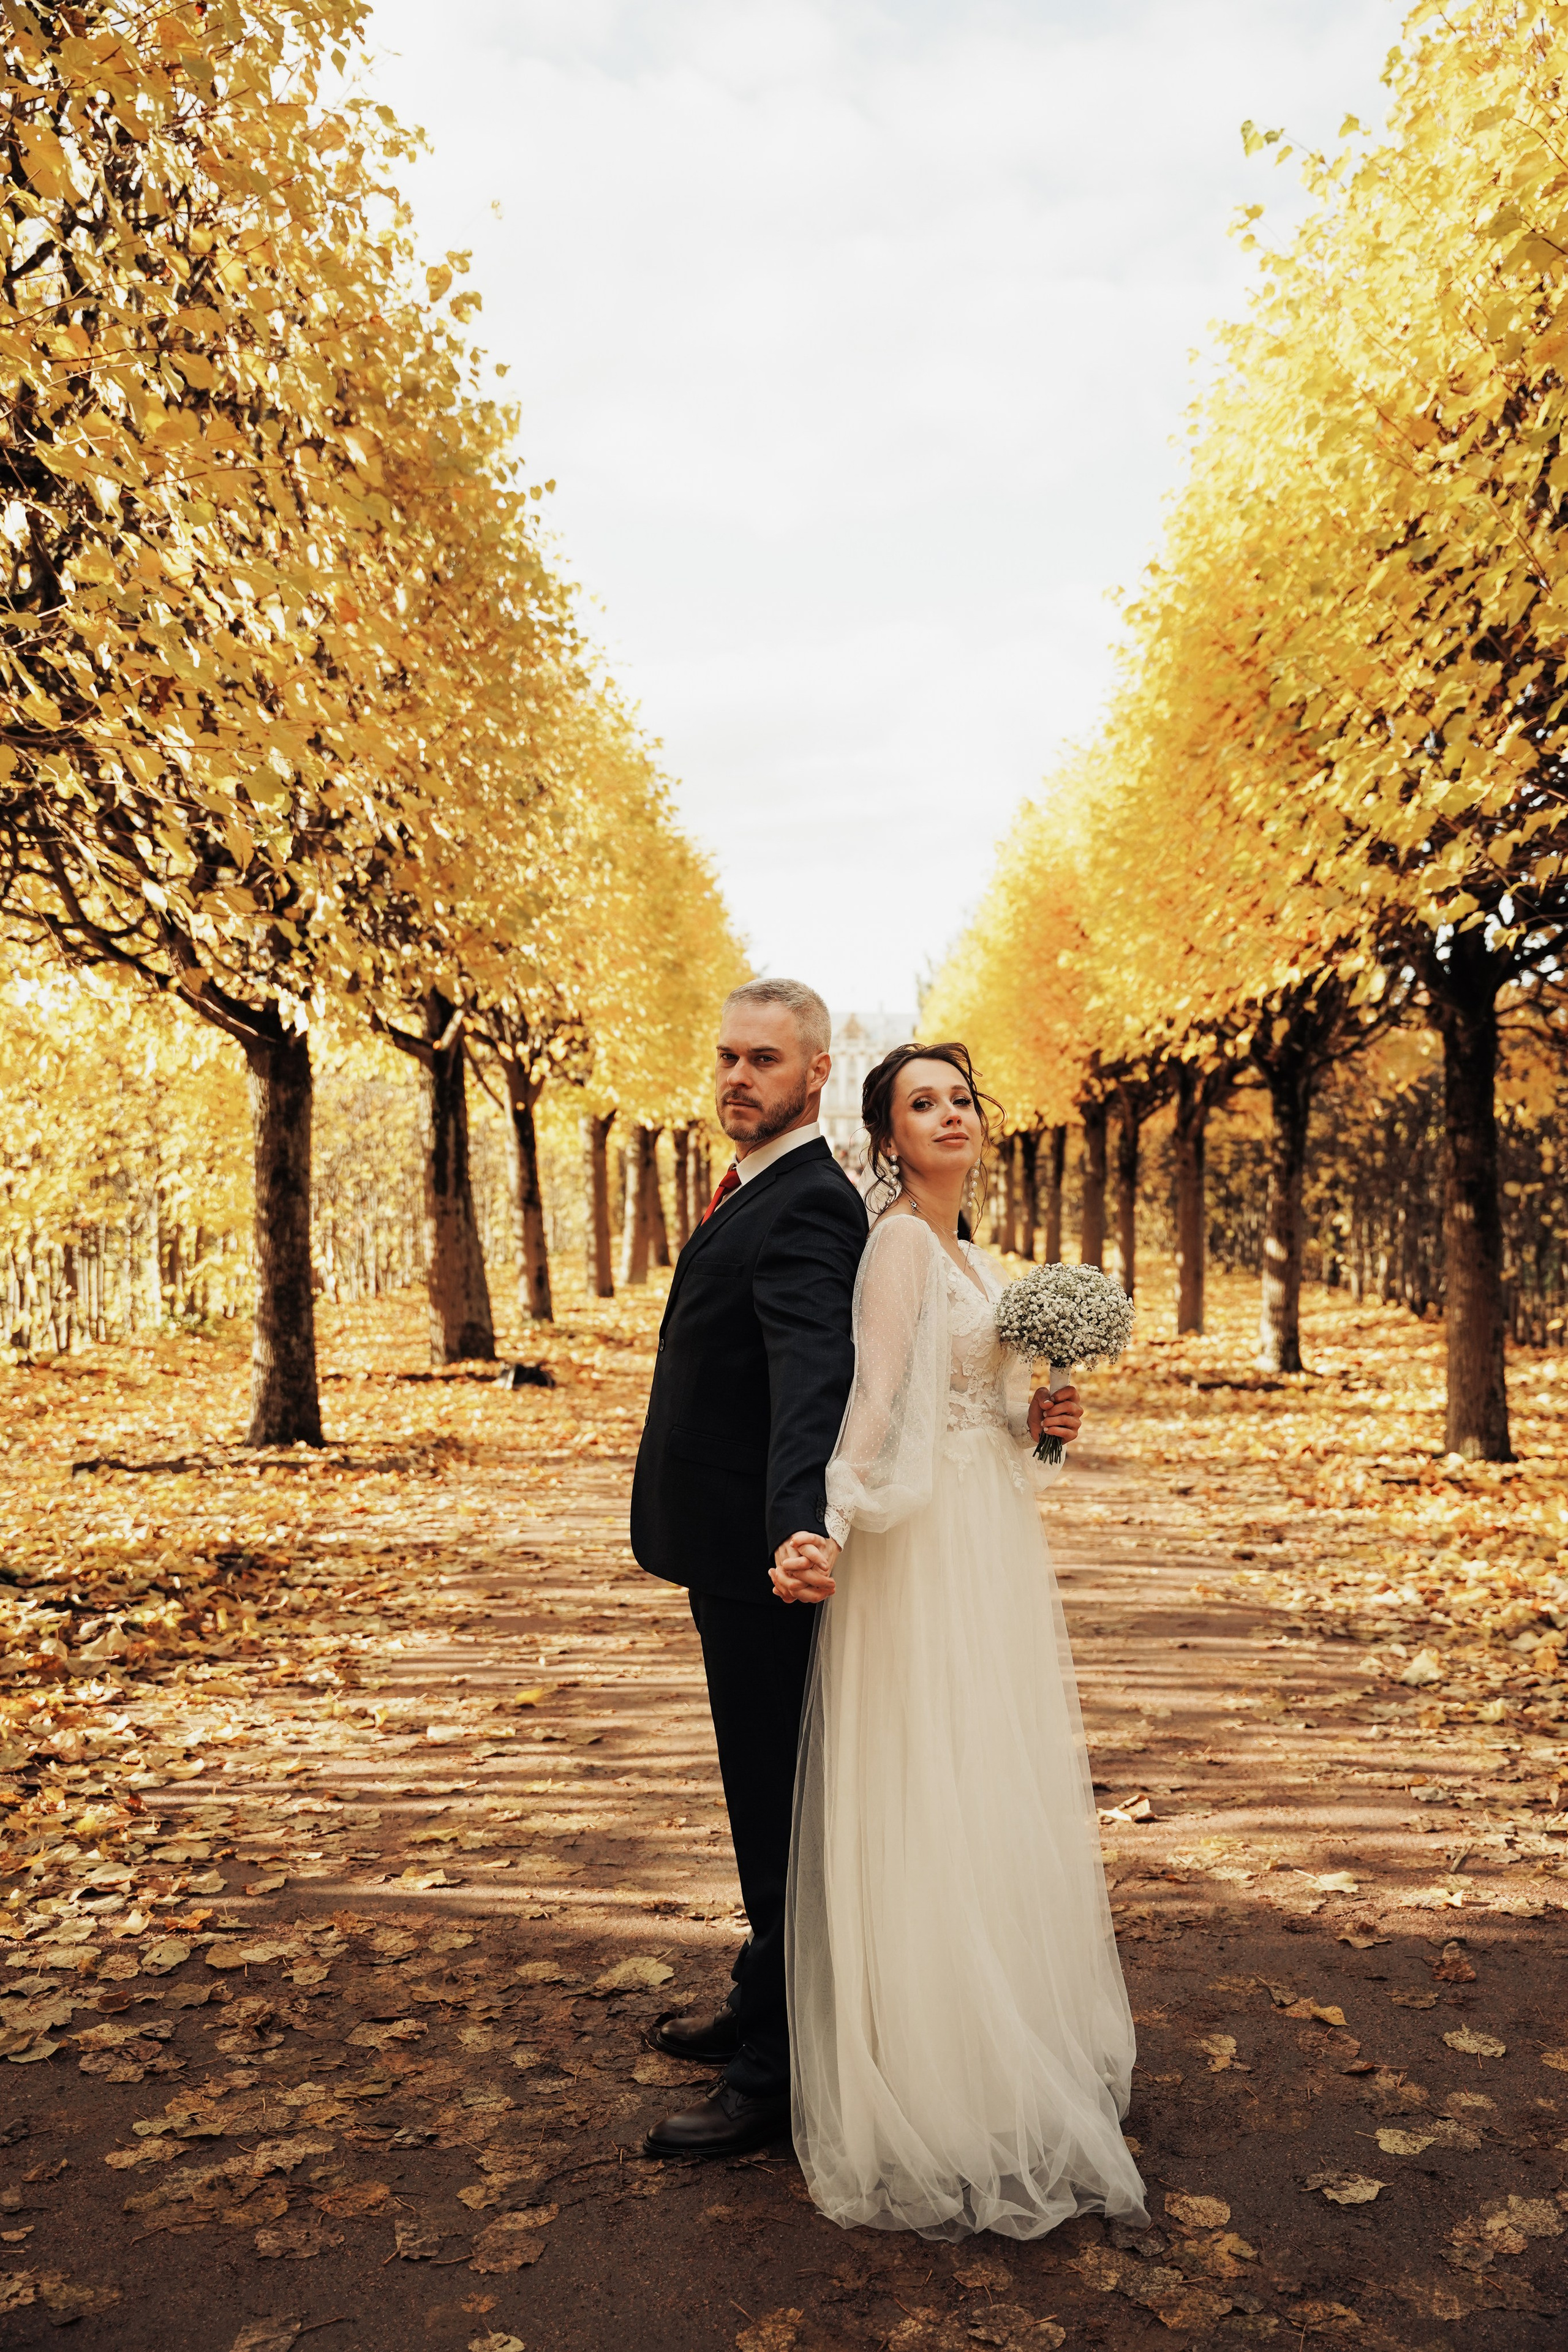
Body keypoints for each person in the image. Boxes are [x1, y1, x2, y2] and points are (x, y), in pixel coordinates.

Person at [775, 1041, 1146, 2239]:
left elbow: (986, 1418)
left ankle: (1005, 2035)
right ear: (886, 1138)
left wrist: (1042, 1425)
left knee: (986, 1781)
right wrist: (822, 1525)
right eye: (918, 1104)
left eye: (959, 1099)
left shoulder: (974, 1257)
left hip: (987, 1542)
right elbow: (876, 1399)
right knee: (926, 1781)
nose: (946, 1115)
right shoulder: (894, 1247)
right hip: (919, 1554)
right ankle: (937, 2070)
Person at [630, 978, 870, 2158]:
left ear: (816, 1073)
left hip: (763, 1560)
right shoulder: (758, 1186)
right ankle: (757, 2001)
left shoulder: (811, 1203)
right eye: (726, 1054)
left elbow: (810, 1382)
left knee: (780, 1811)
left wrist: (795, 1532)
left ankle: (776, 2075)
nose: (737, 1076)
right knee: (758, 1796)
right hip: (726, 1548)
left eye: (765, 1059)